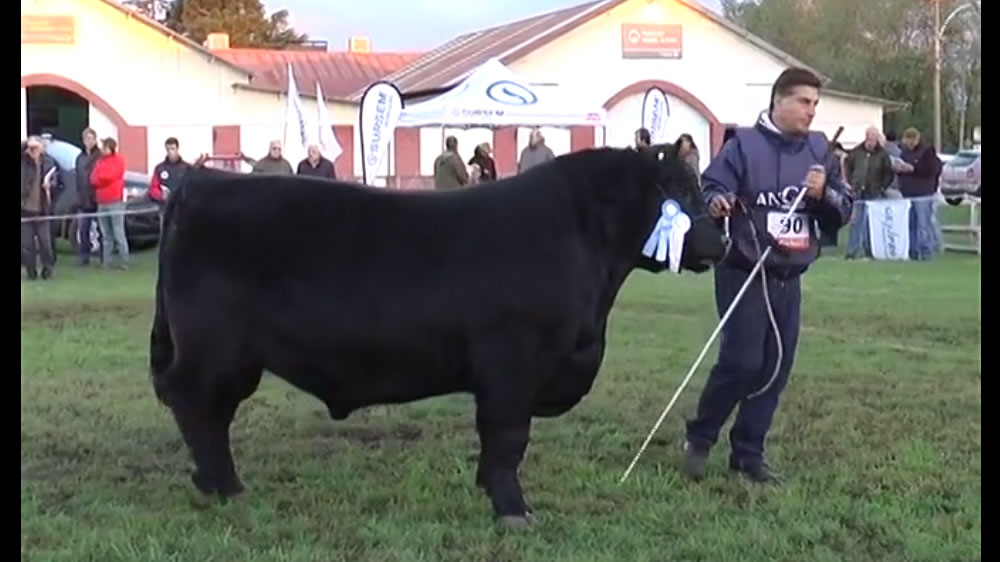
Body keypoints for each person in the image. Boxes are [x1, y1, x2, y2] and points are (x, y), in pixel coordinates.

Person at [681, 67, 853, 484]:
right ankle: (701, 436)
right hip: (743, 267)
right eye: (803, 102)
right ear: (778, 101)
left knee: (775, 366)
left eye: (815, 103)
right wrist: (719, 200)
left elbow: (844, 207)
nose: (811, 111)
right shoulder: (743, 145)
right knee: (742, 362)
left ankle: (748, 453)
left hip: (787, 273)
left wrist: (822, 194)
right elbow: (711, 188)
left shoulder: (821, 150)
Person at [843, 126, 895, 259]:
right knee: (856, 223)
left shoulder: (883, 155)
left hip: (874, 192)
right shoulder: (856, 152)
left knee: (871, 223)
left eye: (874, 138)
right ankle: (852, 251)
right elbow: (848, 167)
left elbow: (888, 173)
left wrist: (882, 187)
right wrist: (850, 183)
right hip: (857, 192)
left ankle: (870, 250)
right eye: (869, 137)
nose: (871, 141)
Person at [895, 127, 943, 260]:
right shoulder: (904, 153)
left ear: (916, 139)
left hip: (923, 193)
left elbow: (932, 170)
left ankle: (926, 251)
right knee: (911, 224)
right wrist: (899, 169)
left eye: (911, 141)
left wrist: (914, 169)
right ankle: (913, 251)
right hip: (908, 192)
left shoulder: (927, 152)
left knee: (924, 224)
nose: (908, 144)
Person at [20, 136, 59, 280]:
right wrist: (28, 144)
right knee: (27, 245)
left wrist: (51, 185)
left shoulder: (48, 162)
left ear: (42, 148)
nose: (34, 150)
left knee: (46, 244)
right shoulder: (24, 161)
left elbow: (56, 179)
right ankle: (31, 272)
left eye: (37, 147)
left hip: (43, 210)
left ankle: (47, 270)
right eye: (32, 147)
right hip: (25, 210)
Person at [90, 137, 130, 269]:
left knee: (118, 232)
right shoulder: (100, 161)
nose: (102, 149)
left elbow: (110, 176)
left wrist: (100, 179)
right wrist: (100, 179)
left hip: (115, 201)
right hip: (101, 201)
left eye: (105, 147)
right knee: (106, 233)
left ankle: (124, 261)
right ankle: (106, 262)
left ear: (111, 148)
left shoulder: (118, 161)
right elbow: (93, 178)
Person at [74, 128, 102, 266]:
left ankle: (104, 257)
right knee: (83, 230)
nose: (89, 141)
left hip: (97, 198)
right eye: (86, 139)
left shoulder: (100, 156)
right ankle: (84, 257)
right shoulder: (80, 157)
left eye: (91, 138)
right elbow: (78, 179)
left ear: (95, 139)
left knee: (102, 230)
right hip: (83, 199)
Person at [149, 136, 191, 206]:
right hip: (165, 207)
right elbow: (153, 188)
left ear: (177, 149)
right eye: (168, 149)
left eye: (172, 149)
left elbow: (192, 187)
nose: (170, 152)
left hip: (183, 207)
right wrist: (161, 195)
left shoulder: (187, 168)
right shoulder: (160, 168)